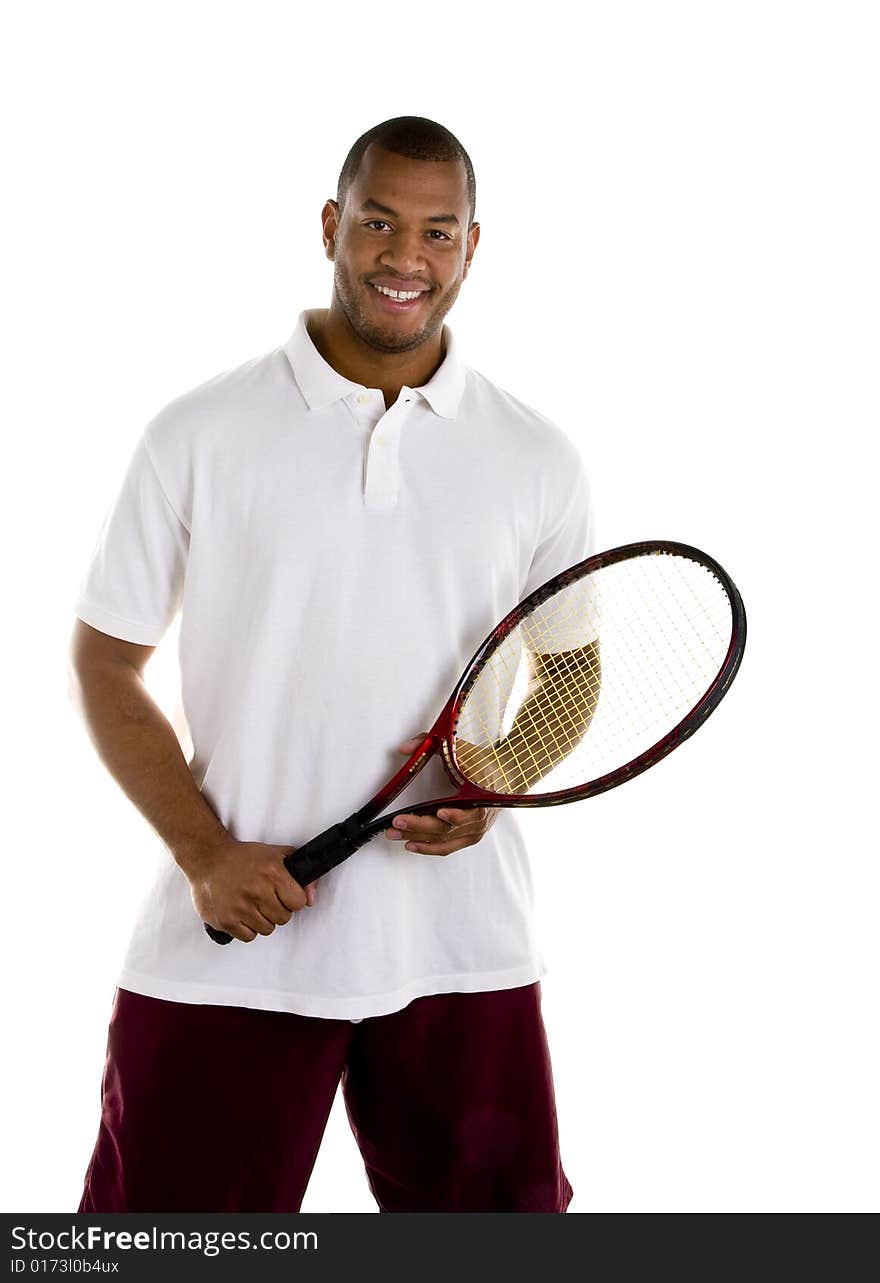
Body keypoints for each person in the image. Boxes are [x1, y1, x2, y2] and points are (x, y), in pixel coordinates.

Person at [70, 116, 595, 1213]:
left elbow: (574, 667)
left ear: (472, 247)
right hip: (229, 945)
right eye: (378, 223)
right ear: (330, 226)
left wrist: (494, 782)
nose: (405, 257)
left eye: (437, 231)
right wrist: (204, 850)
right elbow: (108, 659)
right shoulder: (199, 431)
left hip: (459, 945)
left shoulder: (533, 454)